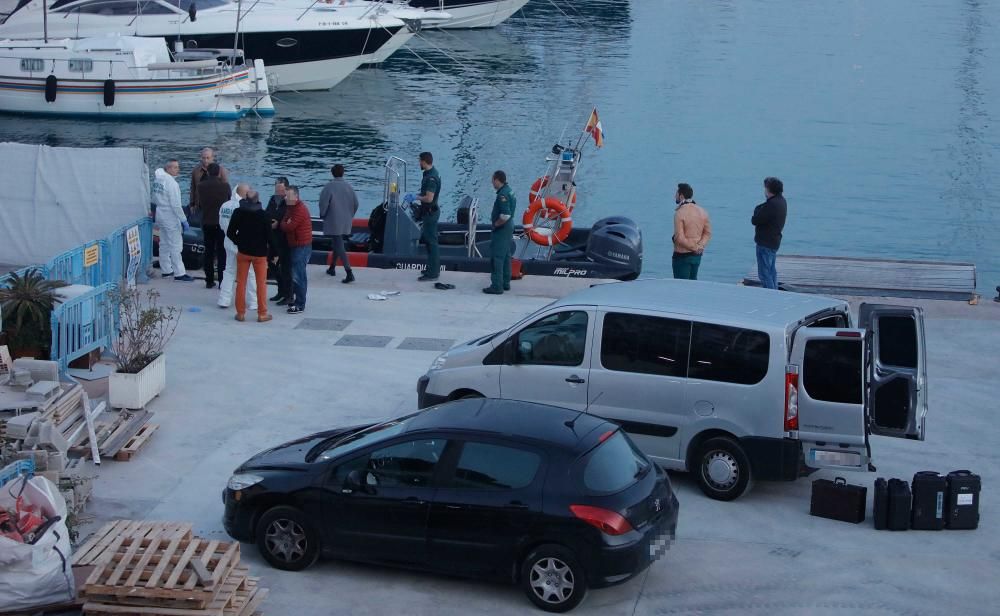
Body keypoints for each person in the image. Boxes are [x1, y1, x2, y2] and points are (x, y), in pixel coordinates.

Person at [227, 189, 272, 323]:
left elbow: (230, 232)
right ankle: (262, 313)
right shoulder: (264, 215)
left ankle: (240, 313)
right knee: (261, 284)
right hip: (260, 254)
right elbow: (270, 237)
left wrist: (239, 241)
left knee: (241, 282)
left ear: (246, 199)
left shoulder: (238, 212)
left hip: (243, 252)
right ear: (258, 199)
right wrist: (274, 252)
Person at [151, 159, 193, 282]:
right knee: (175, 245)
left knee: (163, 243)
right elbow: (176, 205)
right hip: (170, 216)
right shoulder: (172, 183)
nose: (177, 169)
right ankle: (179, 273)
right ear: (168, 169)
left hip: (160, 214)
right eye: (175, 167)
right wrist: (183, 220)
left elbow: (154, 198)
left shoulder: (157, 180)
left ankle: (166, 270)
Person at [217, 183, 258, 309]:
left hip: (228, 242)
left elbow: (221, 223)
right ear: (245, 193)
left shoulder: (225, 205)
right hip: (243, 244)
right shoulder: (244, 207)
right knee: (250, 273)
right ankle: (253, 302)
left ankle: (224, 299)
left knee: (229, 271)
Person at [318, 164, 359, 284]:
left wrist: (323, 214)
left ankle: (349, 272)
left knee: (339, 244)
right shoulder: (349, 187)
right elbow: (356, 203)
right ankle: (332, 267)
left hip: (333, 220)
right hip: (346, 219)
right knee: (337, 242)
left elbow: (323, 203)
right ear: (343, 173)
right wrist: (350, 215)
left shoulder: (329, 187)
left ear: (332, 173)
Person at [403, 151, 441, 282]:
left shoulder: (431, 178)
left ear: (424, 161)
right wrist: (417, 195)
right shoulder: (428, 174)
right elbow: (425, 193)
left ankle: (433, 272)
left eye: (420, 161)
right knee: (429, 241)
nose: (419, 163)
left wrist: (416, 197)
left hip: (430, 212)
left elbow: (429, 198)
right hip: (427, 212)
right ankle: (431, 267)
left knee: (431, 243)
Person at [197, 163, 232, 289]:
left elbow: (200, 204)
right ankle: (222, 281)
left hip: (207, 221)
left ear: (207, 172)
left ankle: (209, 280)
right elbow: (229, 201)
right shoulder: (225, 186)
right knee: (222, 252)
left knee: (209, 252)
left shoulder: (201, 186)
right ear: (218, 173)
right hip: (220, 223)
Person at [280, 185, 313, 314]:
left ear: (296, 196)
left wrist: (286, 223)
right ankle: (298, 301)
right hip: (295, 245)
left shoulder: (299, 210)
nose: (285, 198)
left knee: (299, 276)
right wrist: (285, 223)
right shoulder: (291, 208)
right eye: (285, 196)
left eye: (288, 196)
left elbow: (289, 227)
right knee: (297, 274)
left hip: (301, 246)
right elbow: (284, 223)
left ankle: (300, 304)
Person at [483, 170, 516, 295]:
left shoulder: (502, 195)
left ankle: (497, 286)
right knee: (506, 255)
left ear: (497, 180)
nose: (492, 183)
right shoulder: (510, 191)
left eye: (493, 180)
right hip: (509, 227)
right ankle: (505, 282)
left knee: (497, 257)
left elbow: (505, 215)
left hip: (502, 229)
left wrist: (496, 225)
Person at [752, 176, 788, 290]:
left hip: (765, 242)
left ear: (769, 190)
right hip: (774, 241)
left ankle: (771, 295)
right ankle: (774, 292)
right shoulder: (781, 201)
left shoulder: (771, 205)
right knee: (771, 271)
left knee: (764, 273)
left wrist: (757, 209)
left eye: (765, 188)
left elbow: (755, 220)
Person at [671, 183, 712, 280]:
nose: (674, 196)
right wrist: (700, 246)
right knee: (693, 284)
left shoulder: (679, 213)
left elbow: (679, 238)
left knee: (681, 286)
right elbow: (707, 233)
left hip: (682, 256)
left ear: (681, 196)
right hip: (697, 257)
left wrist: (694, 248)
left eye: (676, 193)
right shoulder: (703, 211)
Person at [265, 177, 292, 305]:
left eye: (280, 190)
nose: (278, 193)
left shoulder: (289, 202)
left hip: (284, 239)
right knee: (272, 265)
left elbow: (290, 219)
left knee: (285, 268)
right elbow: (267, 213)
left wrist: (278, 224)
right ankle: (280, 291)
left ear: (286, 189)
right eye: (276, 190)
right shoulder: (272, 200)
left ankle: (288, 294)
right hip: (272, 238)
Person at [188, 147, 229, 216]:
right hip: (199, 205)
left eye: (208, 158)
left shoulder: (221, 170)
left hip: (215, 206)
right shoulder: (196, 171)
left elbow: (226, 190)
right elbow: (193, 188)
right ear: (201, 158)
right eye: (203, 158)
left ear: (212, 158)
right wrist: (192, 204)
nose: (206, 160)